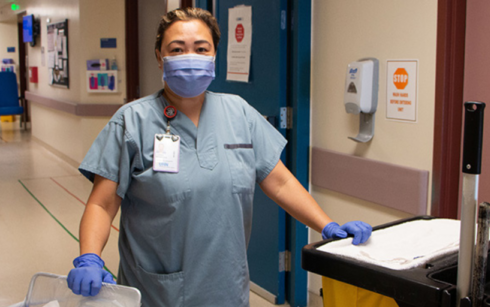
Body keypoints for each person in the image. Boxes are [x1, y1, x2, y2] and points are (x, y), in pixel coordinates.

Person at [67, 7, 372, 307]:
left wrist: (328, 226)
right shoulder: (131, 121)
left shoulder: (239, 112)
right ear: (160, 56)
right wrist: (90, 257)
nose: (191, 57)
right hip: (157, 291)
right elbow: (102, 203)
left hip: (226, 287)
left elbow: (278, 181)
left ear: (214, 56)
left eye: (201, 48)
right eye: (177, 49)